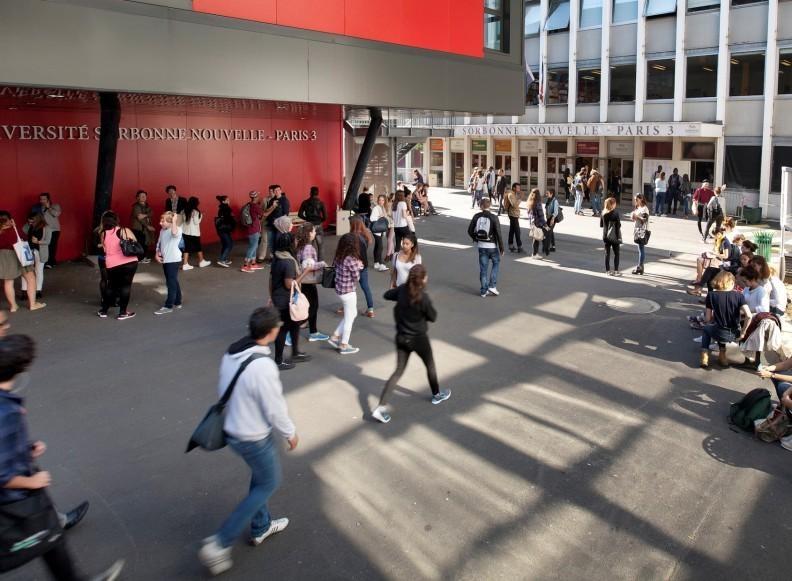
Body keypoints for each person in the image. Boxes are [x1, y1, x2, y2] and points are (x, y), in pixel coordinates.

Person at [0, 334, 125, 581]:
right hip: (14, 498)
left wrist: (26, 448)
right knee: (47, 536)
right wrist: (32, 482)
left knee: (51, 537)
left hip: (18, 494)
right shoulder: (7, 411)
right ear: (20, 369)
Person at [198, 307, 299, 576]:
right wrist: (290, 433)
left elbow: (224, 388)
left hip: (232, 429)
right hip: (253, 436)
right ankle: (220, 542)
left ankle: (261, 526)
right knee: (270, 481)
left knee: (261, 478)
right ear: (271, 332)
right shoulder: (263, 366)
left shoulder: (233, 352)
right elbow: (275, 408)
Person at [371, 265, 451, 424]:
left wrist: (398, 296)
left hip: (401, 337)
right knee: (430, 365)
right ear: (422, 279)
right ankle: (436, 395)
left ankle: (380, 408)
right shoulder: (423, 297)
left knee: (398, 372)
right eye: (426, 276)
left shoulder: (402, 290)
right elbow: (433, 317)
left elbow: (387, 295)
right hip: (419, 338)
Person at [269, 234, 312, 371]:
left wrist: (271, 296)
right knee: (283, 330)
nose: (296, 243)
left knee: (294, 325)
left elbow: (270, 280)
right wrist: (306, 272)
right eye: (294, 241)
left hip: (278, 298)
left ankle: (295, 352)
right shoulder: (287, 262)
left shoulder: (277, 257)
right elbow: (289, 284)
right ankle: (278, 360)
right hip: (285, 301)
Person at [698, 271, 752, 368]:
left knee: (707, 329)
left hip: (719, 331)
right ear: (731, 283)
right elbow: (749, 315)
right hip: (735, 333)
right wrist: (743, 332)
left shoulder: (711, 295)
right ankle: (722, 357)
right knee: (718, 327)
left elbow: (707, 318)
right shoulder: (739, 296)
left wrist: (711, 320)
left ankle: (704, 356)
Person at [0, 212, 45, 312]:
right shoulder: (13, 229)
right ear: (9, 219)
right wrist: (14, 226)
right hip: (18, 254)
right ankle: (33, 304)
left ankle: (13, 306)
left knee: (8, 281)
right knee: (31, 278)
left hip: (3, 257)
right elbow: (22, 238)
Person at [97, 211, 138, 320]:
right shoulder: (124, 230)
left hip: (112, 264)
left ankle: (103, 311)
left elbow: (104, 249)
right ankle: (123, 313)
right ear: (116, 220)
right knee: (126, 286)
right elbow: (135, 241)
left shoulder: (103, 233)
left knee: (111, 286)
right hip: (129, 262)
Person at [328, 234, 364, 355]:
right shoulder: (351, 259)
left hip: (340, 289)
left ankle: (335, 336)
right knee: (350, 318)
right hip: (348, 291)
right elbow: (357, 277)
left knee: (352, 314)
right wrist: (359, 266)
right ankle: (344, 344)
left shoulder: (339, 256)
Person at [295, 223, 329, 342]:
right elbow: (308, 265)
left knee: (305, 305)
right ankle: (311, 332)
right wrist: (322, 264)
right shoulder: (309, 247)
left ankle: (308, 327)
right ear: (309, 233)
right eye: (314, 231)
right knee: (313, 306)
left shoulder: (301, 245)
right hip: (308, 281)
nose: (315, 233)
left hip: (302, 280)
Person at [467, 198, 503, 297]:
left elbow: (469, 231)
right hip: (492, 246)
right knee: (496, 263)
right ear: (490, 205)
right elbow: (499, 234)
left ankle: (483, 291)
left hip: (481, 246)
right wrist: (501, 248)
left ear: (481, 206)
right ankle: (492, 285)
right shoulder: (494, 217)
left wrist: (476, 239)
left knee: (483, 268)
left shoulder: (476, 216)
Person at [154, 211, 183, 315]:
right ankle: (178, 301)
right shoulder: (162, 230)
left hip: (173, 260)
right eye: (161, 220)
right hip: (166, 259)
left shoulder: (177, 229)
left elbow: (174, 233)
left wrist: (175, 221)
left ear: (171, 222)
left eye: (163, 221)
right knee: (173, 280)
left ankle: (168, 306)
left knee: (170, 282)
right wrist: (157, 253)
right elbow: (159, 242)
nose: (160, 223)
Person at [349, 217, 375, 318]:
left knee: (349, 288)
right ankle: (371, 310)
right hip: (363, 265)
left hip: (353, 265)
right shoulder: (366, 235)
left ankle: (347, 307)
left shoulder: (352, 237)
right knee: (366, 287)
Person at [21, 212, 50, 299]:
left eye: (32, 222)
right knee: (26, 271)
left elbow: (48, 241)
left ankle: (38, 290)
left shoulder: (47, 228)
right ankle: (24, 291)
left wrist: (38, 242)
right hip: (29, 250)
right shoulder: (30, 226)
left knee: (38, 271)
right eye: (29, 222)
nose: (30, 223)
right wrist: (29, 222)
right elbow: (23, 229)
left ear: (38, 220)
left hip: (40, 252)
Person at [182, 196, 211, 270]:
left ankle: (185, 264)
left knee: (187, 248)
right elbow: (196, 222)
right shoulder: (196, 212)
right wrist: (201, 216)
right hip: (194, 233)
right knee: (198, 247)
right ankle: (201, 261)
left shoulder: (184, 211)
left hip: (185, 232)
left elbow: (184, 221)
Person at [297, 186, 327, 260]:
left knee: (308, 245)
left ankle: (309, 261)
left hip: (309, 225)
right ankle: (320, 263)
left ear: (310, 193)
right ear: (317, 193)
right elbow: (325, 216)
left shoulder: (305, 202)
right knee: (320, 246)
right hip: (318, 225)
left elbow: (299, 214)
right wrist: (320, 220)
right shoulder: (321, 203)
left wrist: (307, 219)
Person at [34, 193, 62, 268]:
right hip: (44, 229)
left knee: (52, 246)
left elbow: (56, 214)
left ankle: (51, 262)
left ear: (48, 199)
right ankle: (47, 262)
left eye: (44, 199)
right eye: (40, 199)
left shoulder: (55, 206)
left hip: (54, 229)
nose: (42, 201)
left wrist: (48, 207)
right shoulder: (39, 208)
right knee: (45, 245)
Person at [262, 185, 289, 263]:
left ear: (281, 190)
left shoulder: (284, 200)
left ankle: (278, 258)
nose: (276, 192)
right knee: (271, 242)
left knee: (278, 241)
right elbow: (267, 211)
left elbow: (286, 214)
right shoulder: (272, 200)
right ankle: (273, 258)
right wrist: (273, 206)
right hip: (271, 225)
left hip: (279, 226)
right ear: (273, 192)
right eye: (275, 191)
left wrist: (279, 222)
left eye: (278, 190)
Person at [241, 191, 265, 273]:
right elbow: (264, 214)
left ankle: (253, 264)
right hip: (254, 229)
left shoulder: (249, 204)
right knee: (253, 247)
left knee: (253, 246)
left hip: (250, 228)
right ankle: (245, 265)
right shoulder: (255, 206)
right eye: (258, 196)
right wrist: (273, 207)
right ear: (256, 197)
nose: (259, 197)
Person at [130, 190, 154, 263]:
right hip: (138, 228)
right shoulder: (136, 206)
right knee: (140, 244)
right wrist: (148, 226)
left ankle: (143, 257)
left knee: (145, 243)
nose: (144, 197)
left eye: (145, 196)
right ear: (137, 198)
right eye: (141, 196)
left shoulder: (147, 205)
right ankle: (140, 259)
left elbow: (152, 213)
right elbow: (140, 218)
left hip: (145, 229)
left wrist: (145, 215)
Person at [600, 197, 622, 276]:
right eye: (615, 203)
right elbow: (618, 225)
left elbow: (601, 225)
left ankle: (608, 271)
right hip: (614, 236)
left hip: (605, 236)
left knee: (607, 253)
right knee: (616, 253)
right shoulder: (615, 213)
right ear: (612, 204)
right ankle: (616, 271)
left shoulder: (603, 213)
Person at [526, 189, 549, 259]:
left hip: (532, 223)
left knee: (535, 238)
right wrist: (545, 225)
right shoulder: (537, 203)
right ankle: (535, 254)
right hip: (538, 223)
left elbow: (529, 214)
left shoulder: (529, 201)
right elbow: (541, 215)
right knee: (537, 239)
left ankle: (534, 253)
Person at [630, 194, 650, 275]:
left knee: (641, 249)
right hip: (638, 230)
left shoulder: (645, 209)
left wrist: (636, 216)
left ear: (641, 199)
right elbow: (636, 219)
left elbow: (644, 220)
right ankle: (641, 267)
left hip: (642, 231)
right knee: (640, 249)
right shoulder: (639, 208)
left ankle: (640, 267)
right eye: (635, 200)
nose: (635, 201)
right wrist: (633, 217)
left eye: (636, 200)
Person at [214, 195, 236, 267]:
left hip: (221, 229)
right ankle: (222, 260)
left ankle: (224, 259)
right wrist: (233, 220)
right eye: (227, 200)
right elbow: (227, 219)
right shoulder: (226, 208)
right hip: (224, 229)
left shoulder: (221, 208)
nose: (229, 201)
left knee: (225, 244)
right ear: (223, 201)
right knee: (229, 244)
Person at [369, 194, 389, 271]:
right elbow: (372, 218)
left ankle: (376, 263)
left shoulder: (382, 208)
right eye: (380, 200)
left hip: (379, 230)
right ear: (378, 200)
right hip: (376, 230)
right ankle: (380, 264)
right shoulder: (376, 208)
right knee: (380, 247)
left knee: (377, 246)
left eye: (383, 200)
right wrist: (379, 217)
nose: (381, 201)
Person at [503, 183, 523, 253]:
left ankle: (510, 245)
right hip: (513, 215)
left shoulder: (513, 193)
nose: (519, 189)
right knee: (517, 231)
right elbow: (514, 205)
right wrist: (520, 199)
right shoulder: (511, 194)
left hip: (514, 214)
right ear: (514, 188)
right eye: (518, 188)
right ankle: (519, 246)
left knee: (512, 230)